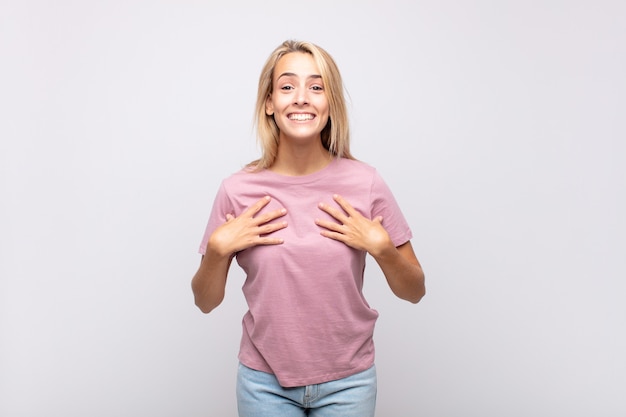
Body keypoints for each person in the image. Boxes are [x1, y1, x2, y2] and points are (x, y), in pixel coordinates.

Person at [192, 39, 425, 417]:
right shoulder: (236, 190)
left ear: (330, 104)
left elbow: (415, 290)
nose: (301, 98)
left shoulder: (366, 184)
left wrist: (382, 250)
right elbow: (205, 302)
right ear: (269, 103)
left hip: (349, 383)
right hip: (263, 383)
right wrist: (217, 253)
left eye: (316, 87)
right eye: (287, 87)